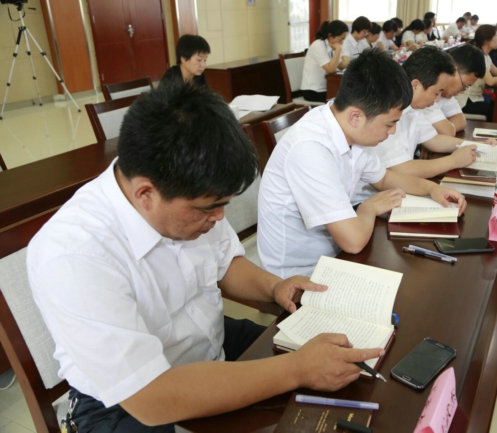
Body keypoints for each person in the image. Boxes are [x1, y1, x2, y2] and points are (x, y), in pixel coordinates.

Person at [28, 82, 385, 432]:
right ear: (145, 194)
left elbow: (226, 264)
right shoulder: (74, 255)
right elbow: (152, 398)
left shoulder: (190, 194)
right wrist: (298, 369)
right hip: (128, 402)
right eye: (210, 208)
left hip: (208, 341)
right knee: (308, 379)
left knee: (343, 372)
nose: (218, 218)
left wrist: (274, 287)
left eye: (223, 205)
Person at [257, 48, 466, 278]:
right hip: (301, 272)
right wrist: (369, 208)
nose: (392, 131)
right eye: (389, 124)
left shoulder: (350, 129)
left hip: (335, 252)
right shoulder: (311, 148)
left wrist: (432, 189)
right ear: (356, 116)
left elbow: (384, 178)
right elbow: (353, 241)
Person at [353, 46, 494, 204]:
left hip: (392, 192)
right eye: (436, 93)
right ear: (416, 86)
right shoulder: (386, 109)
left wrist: (475, 146)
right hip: (367, 200)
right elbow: (401, 169)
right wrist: (453, 161)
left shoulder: (413, 108)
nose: (438, 99)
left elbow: (434, 140)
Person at [421, 44, 487, 136]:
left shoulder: (446, 94)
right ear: (453, 70)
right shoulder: (427, 88)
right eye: (464, 86)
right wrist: (447, 128)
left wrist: (448, 128)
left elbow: (461, 121)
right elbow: (446, 131)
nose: (462, 91)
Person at [300, 20, 348, 103]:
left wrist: (346, 60)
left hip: (326, 88)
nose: (342, 43)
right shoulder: (318, 45)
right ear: (330, 36)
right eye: (340, 39)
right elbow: (330, 69)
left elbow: (340, 66)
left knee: (349, 95)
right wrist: (338, 50)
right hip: (313, 91)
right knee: (345, 99)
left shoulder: (331, 46)